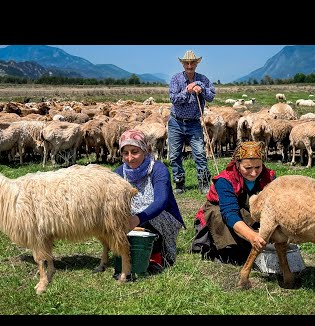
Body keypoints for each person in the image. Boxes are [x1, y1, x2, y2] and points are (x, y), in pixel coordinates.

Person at [190, 141, 277, 265]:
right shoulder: (225, 180)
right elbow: (230, 214)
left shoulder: (269, 177)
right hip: (223, 220)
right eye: (248, 168)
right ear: (237, 163)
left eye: (258, 167)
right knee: (217, 213)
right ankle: (225, 251)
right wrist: (252, 236)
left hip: (248, 215)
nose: (253, 173)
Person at [114, 129, 185, 275]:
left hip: (161, 216)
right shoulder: (119, 173)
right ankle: (128, 253)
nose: (130, 158)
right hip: (132, 217)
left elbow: (161, 201)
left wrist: (137, 219)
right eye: (125, 153)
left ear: (145, 150)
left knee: (148, 216)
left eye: (135, 152)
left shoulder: (158, 169)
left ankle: (156, 256)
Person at [168, 50, 216, 194]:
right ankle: (179, 183)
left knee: (200, 153)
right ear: (183, 64)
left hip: (194, 122)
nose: (189, 65)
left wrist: (200, 89)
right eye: (186, 63)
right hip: (176, 122)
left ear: (196, 63)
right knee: (175, 155)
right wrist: (187, 91)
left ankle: (203, 183)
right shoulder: (175, 79)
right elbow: (174, 99)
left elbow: (211, 96)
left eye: (192, 63)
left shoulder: (203, 79)